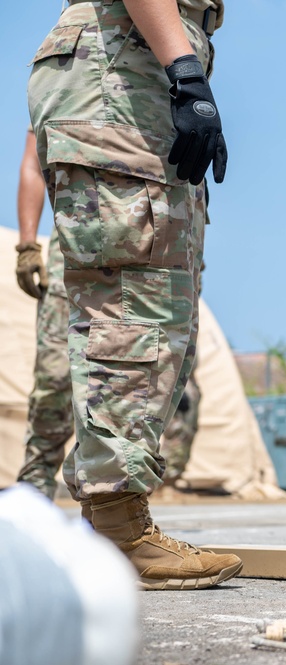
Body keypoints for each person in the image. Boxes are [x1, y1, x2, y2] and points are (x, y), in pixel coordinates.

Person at [26, 0, 240, 589]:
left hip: (121, 71)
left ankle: (113, 518)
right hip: (123, 74)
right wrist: (187, 72)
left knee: (144, 293)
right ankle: (120, 525)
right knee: (137, 299)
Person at [14, 128, 203, 501]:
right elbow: (35, 161)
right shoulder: (84, 79)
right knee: (55, 372)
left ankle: (126, 498)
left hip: (167, 242)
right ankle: (35, 486)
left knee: (162, 371)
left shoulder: (181, 88)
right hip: (85, 240)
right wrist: (26, 243)